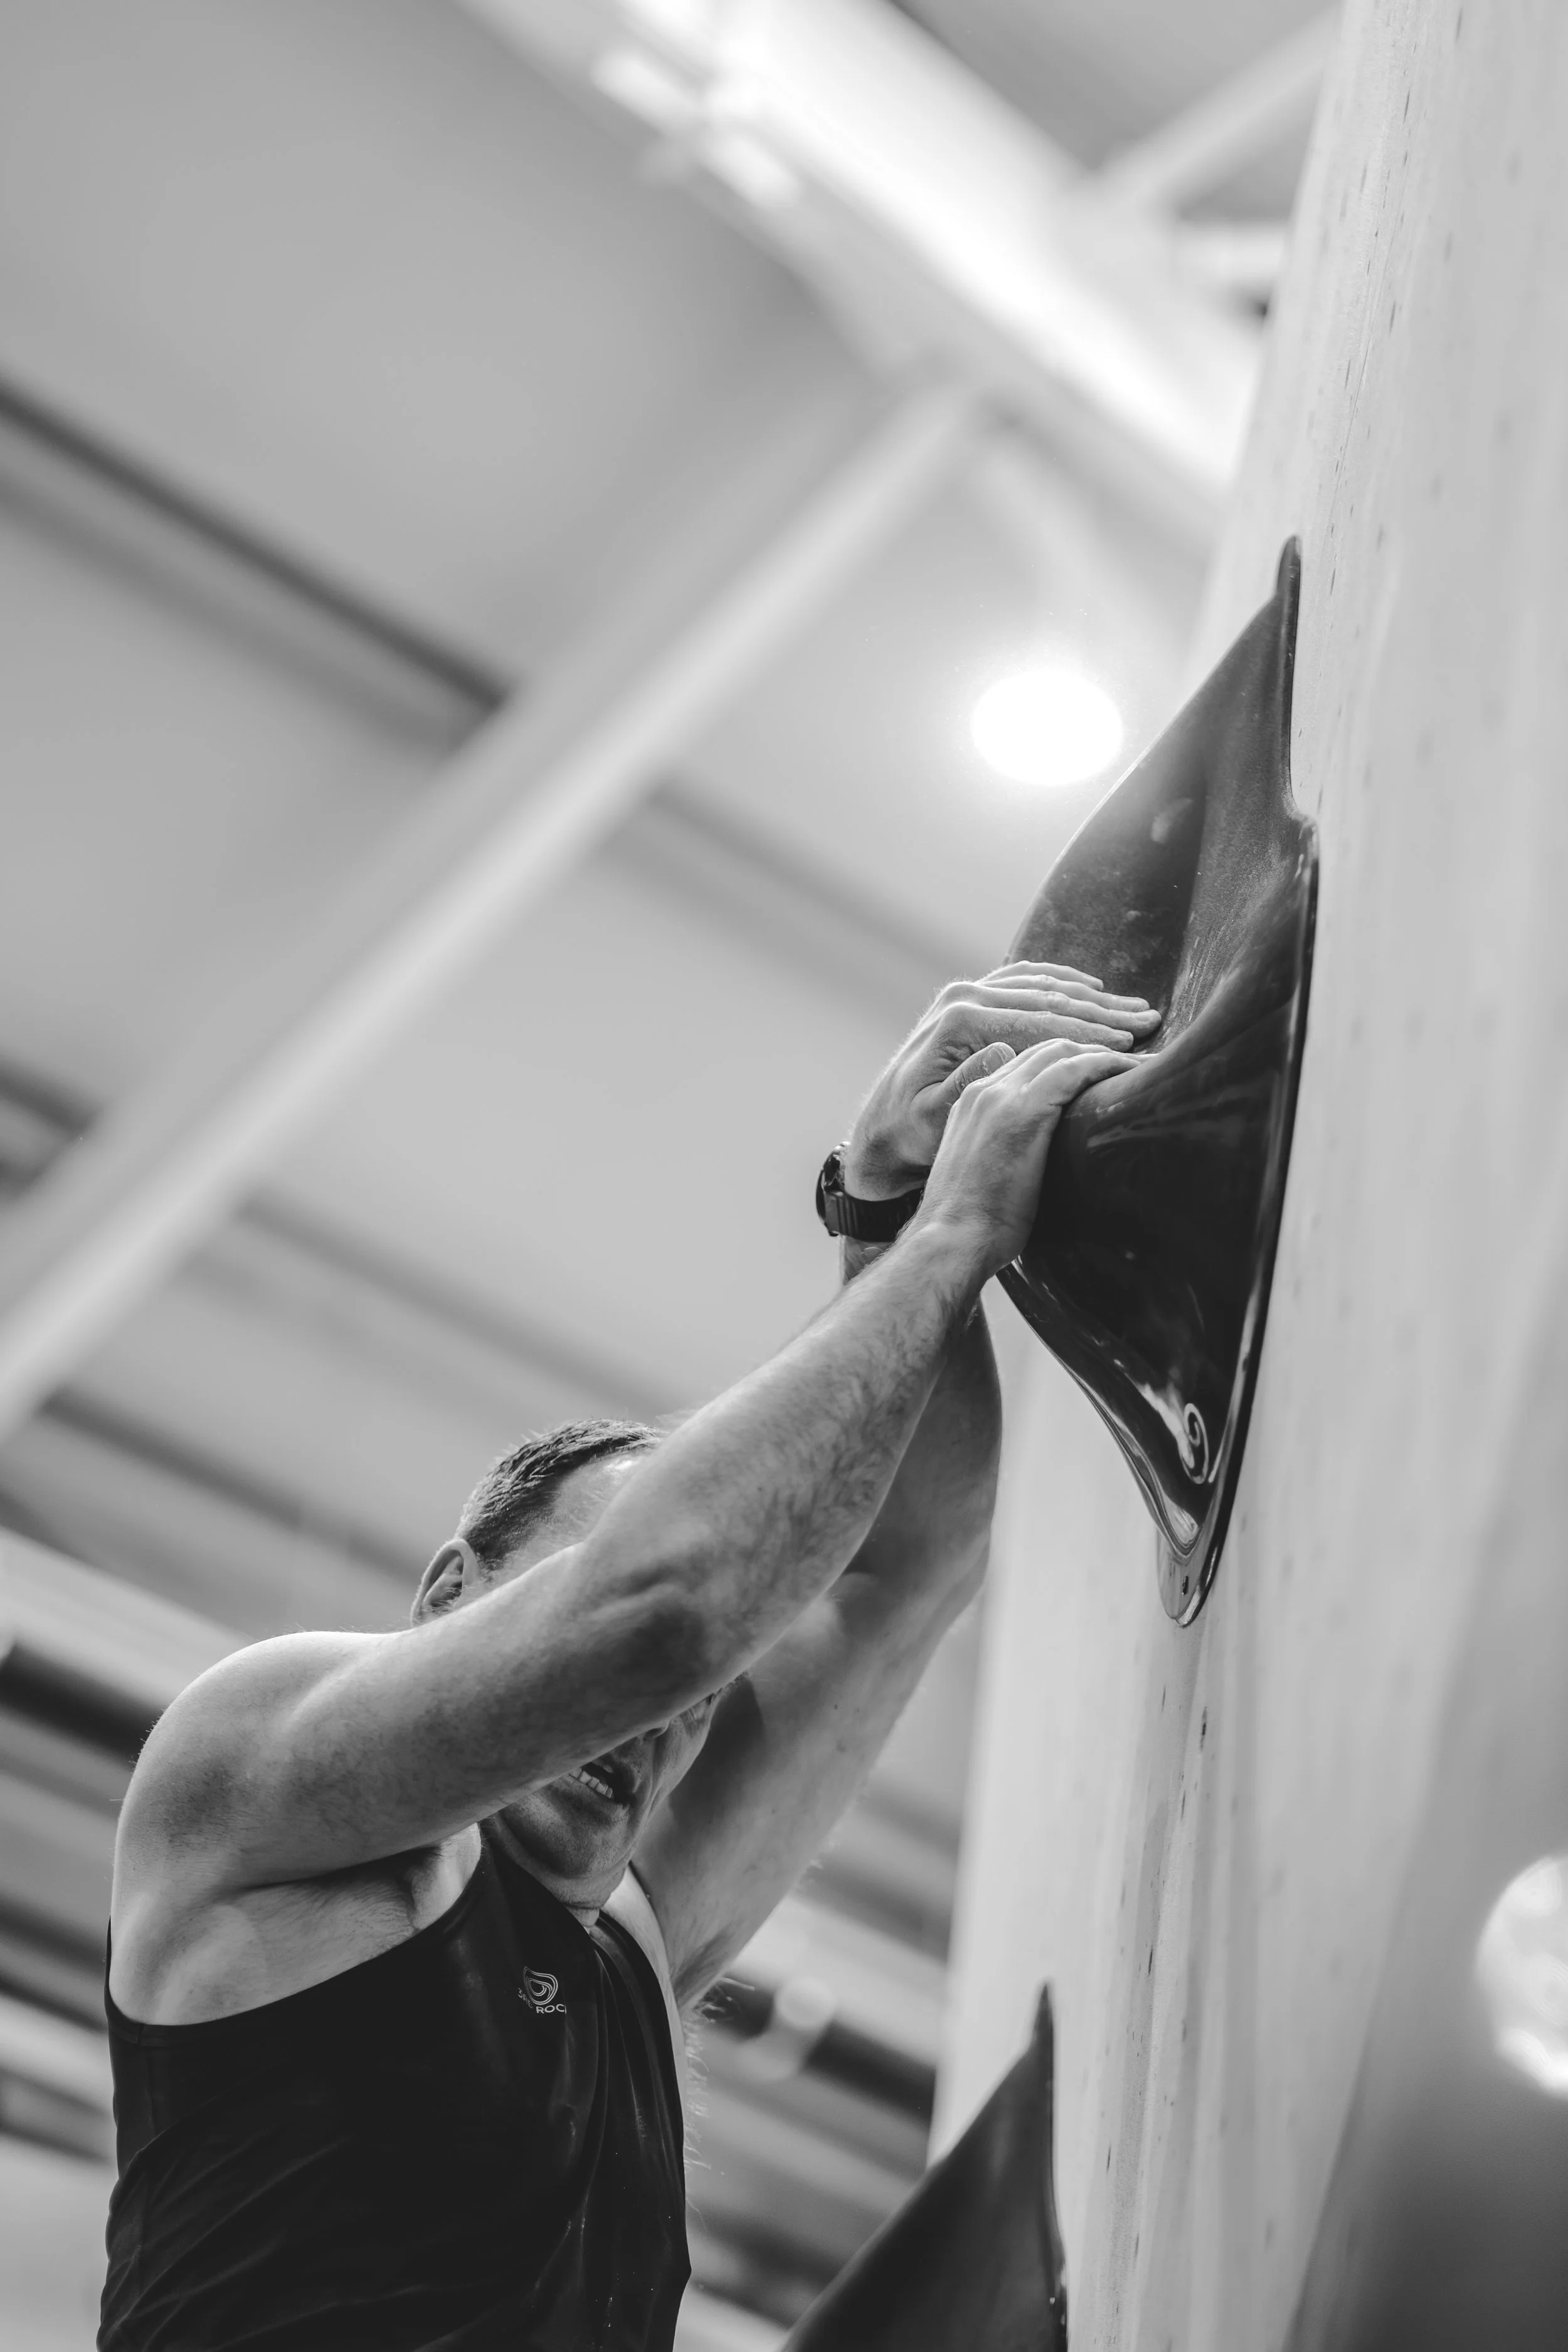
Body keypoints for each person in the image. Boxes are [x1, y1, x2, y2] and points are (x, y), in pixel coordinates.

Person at [99, 961, 1157, 2351]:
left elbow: (905, 1574)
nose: (667, 1717)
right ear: (450, 1589)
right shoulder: (251, 1767)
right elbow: (668, 1614)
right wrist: (957, 1231)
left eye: (700, 1708)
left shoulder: (629, 1959)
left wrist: (886, 1225)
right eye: (584, 1614)